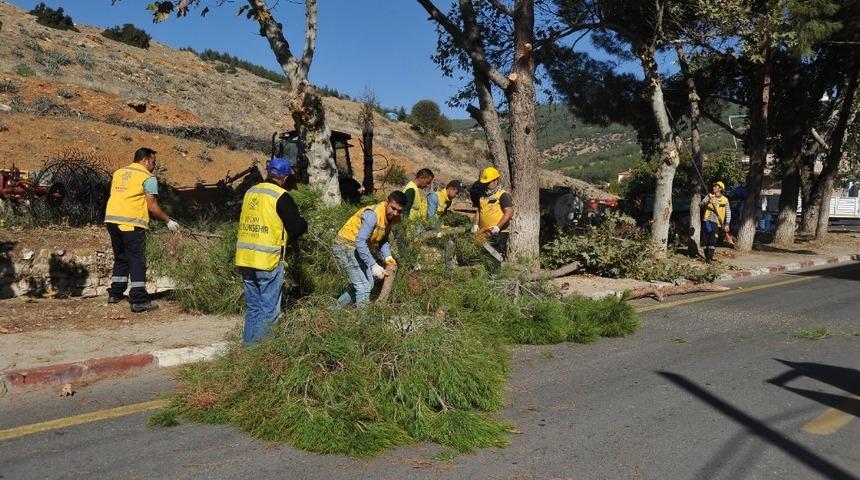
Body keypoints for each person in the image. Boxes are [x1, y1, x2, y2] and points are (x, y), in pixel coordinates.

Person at [235, 157, 307, 345]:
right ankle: (262, 356)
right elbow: (296, 227)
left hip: (245, 259)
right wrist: (304, 224)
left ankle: (248, 352)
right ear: (284, 178)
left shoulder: (251, 192)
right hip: (267, 261)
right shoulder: (280, 196)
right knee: (269, 310)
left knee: (253, 308)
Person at [104, 147, 178, 313]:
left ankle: (115, 294)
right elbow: (152, 206)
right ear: (145, 160)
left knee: (121, 257)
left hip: (111, 220)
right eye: (153, 162)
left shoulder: (119, 172)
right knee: (137, 259)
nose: (154, 166)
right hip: (131, 222)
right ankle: (138, 299)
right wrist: (168, 221)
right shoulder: (148, 177)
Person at [333, 191, 406, 306]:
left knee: (367, 284)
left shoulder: (390, 217)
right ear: (387, 202)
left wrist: (388, 256)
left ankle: (333, 310)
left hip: (357, 248)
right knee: (363, 287)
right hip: (345, 246)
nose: (396, 213)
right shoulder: (373, 215)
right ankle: (363, 322)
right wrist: (373, 265)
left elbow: (382, 239)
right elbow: (360, 241)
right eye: (393, 208)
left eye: (399, 211)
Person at [471, 166, 514, 257]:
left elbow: (509, 212)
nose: (486, 184)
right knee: (483, 257)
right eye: (485, 182)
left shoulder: (502, 195)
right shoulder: (482, 196)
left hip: (498, 233)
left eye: (488, 182)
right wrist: (475, 225)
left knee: (495, 257)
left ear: (495, 181)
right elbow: (479, 211)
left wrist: (497, 227)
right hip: (484, 233)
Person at [701, 181, 731, 262]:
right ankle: (707, 257)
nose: (713, 187)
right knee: (705, 240)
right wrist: (707, 201)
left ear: (720, 189)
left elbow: (728, 212)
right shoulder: (709, 196)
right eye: (713, 186)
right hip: (706, 221)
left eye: (716, 186)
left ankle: (709, 258)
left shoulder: (725, 200)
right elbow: (701, 204)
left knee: (713, 240)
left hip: (716, 222)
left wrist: (727, 223)